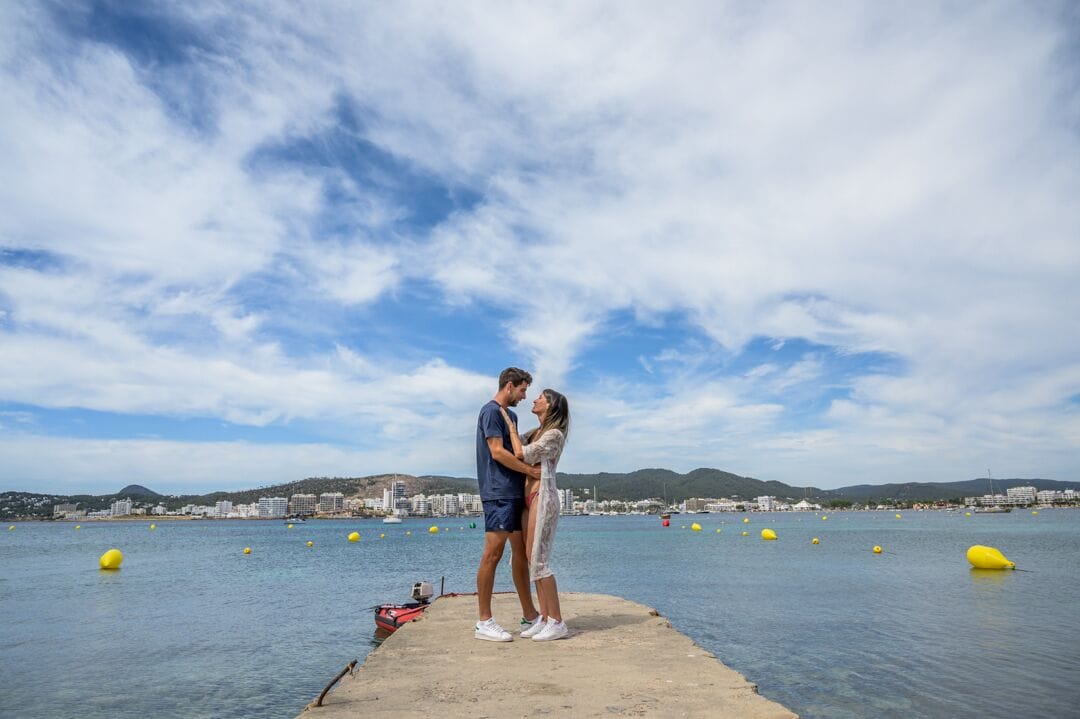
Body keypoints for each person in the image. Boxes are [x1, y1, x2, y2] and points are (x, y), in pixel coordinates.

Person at [474, 367, 542, 642]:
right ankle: (484, 621)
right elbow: (497, 452)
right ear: (510, 386)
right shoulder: (490, 411)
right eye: (523, 390)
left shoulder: (511, 416)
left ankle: (529, 614)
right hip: (498, 492)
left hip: (514, 493)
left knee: (520, 554)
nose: (524, 397)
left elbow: (517, 448)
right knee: (492, 554)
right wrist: (530, 472)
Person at [501, 388, 570, 641]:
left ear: (551, 406)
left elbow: (522, 454)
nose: (535, 399)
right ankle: (545, 617)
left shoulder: (554, 434)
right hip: (528, 500)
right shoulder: (534, 433)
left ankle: (557, 621)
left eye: (541, 397)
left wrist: (509, 424)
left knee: (539, 560)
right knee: (530, 559)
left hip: (543, 497)